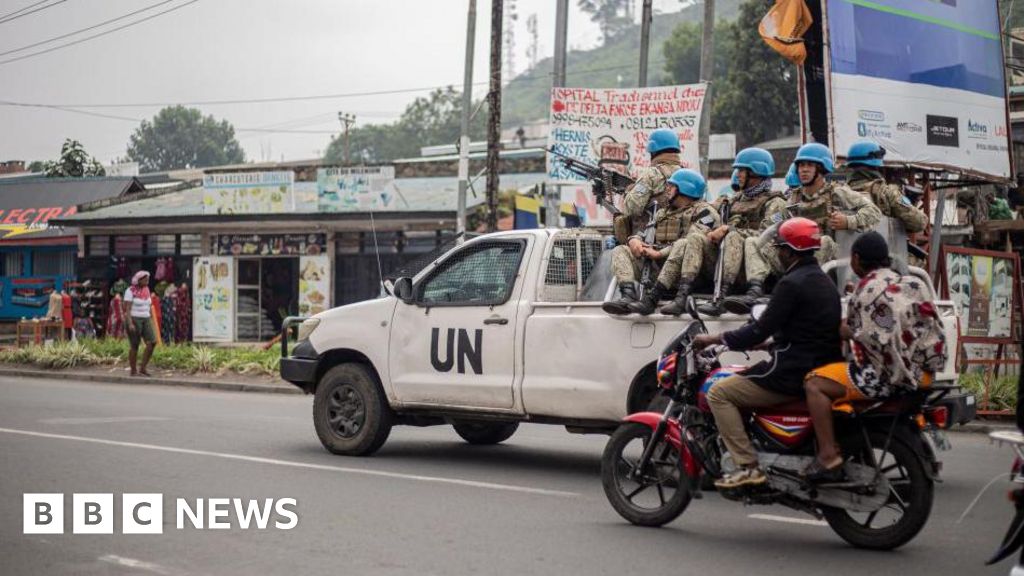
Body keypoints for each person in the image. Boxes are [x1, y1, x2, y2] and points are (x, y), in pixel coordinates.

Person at [692, 218, 843, 489]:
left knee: (719, 392)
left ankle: (747, 466)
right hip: (819, 364)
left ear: (790, 251)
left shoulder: (791, 283)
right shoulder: (823, 281)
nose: (778, 253)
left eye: (780, 249)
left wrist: (715, 338)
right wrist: (768, 343)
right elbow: (804, 329)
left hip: (791, 371)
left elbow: (757, 330)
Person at [802, 232, 947, 481]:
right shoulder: (913, 283)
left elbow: (859, 332)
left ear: (856, 259)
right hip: (924, 374)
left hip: (888, 378)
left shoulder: (866, 289)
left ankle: (827, 454)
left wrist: (838, 328)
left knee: (814, 383)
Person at [727, 143, 882, 313]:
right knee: (753, 241)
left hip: (826, 260)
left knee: (822, 240)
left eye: (810, 165)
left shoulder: (837, 192)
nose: (804, 170)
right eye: (801, 165)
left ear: (822, 168)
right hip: (795, 257)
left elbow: (874, 212)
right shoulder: (792, 198)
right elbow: (773, 226)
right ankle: (755, 289)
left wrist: (849, 221)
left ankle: (805, 291)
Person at [604, 128, 684, 314]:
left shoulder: (652, 174)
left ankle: (627, 296)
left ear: (654, 151)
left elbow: (631, 208)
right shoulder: (689, 174)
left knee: (620, 251)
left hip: (651, 247)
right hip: (678, 258)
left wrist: (629, 190)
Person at [699, 148, 787, 316]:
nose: (737, 174)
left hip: (764, 266)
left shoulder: (775, 202)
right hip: (737, 265)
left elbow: (767, 236)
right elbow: (706, 211)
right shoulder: (735, 200)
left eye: (741, 170)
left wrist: (729, 230)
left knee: (733, 235)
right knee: (699, 236)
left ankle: (722, 295)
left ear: (755, 172)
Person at [630, 169, 721, 315]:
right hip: (662, 270)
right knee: (621, 250)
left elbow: (692, 240)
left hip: (696, 274)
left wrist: (659, 253)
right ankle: (626, 295)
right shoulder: (662, 213)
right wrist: (635, 240)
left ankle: (655, 298)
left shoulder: (706, 213)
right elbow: (645, 232)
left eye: (671, 186)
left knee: (683, 243)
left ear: (685, 189)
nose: (667, 189)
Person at [844, 140, 928, 234]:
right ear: (877, 164)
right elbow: (920, 223)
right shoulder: (886, 192)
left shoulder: (840, 192)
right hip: (884, 246)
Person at [124, 270, 157, 377]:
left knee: (152, 342)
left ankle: (143, 368)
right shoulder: (130, 291)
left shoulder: (147, 290)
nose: (147, 281)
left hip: (146, 318)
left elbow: (149, 306)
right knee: (135, 345)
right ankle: (133, 370)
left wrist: (151, 320)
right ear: (138, 280)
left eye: (148, 279)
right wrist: (130, 323)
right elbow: (127, 309)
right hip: (134, 318)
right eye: (145, 279)